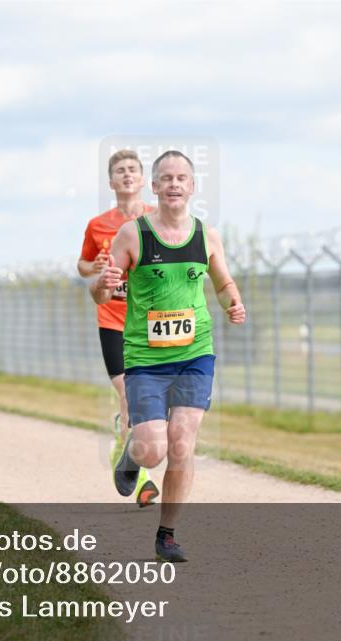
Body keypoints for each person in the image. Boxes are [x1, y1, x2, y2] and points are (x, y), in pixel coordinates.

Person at [92, 150, 246, 562]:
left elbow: (223, 283)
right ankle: (133, 453)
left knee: (182, 441)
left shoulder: (207, 235)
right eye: (167, 178)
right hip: (146, 358)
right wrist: (103, 284)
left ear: (192, 186)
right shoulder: (133, 234)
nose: (175, 184)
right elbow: (100, 294)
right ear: (155, 186)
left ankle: (167, 534)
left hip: (196, 353)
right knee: (153, 451)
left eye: (182, 178)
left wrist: (232, 303)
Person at [79, 149, 160, 508]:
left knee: (150, 401)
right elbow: (83, 266)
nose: (127, 175)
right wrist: (95, 267)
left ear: (142, 180)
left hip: (150, 322)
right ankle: (141, 480)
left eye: (132, 170)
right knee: (130, 395)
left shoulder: (158, 219)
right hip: (113, 319)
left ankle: (122, 435)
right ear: (111, 181)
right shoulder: (97, 225)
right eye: (120, 171)